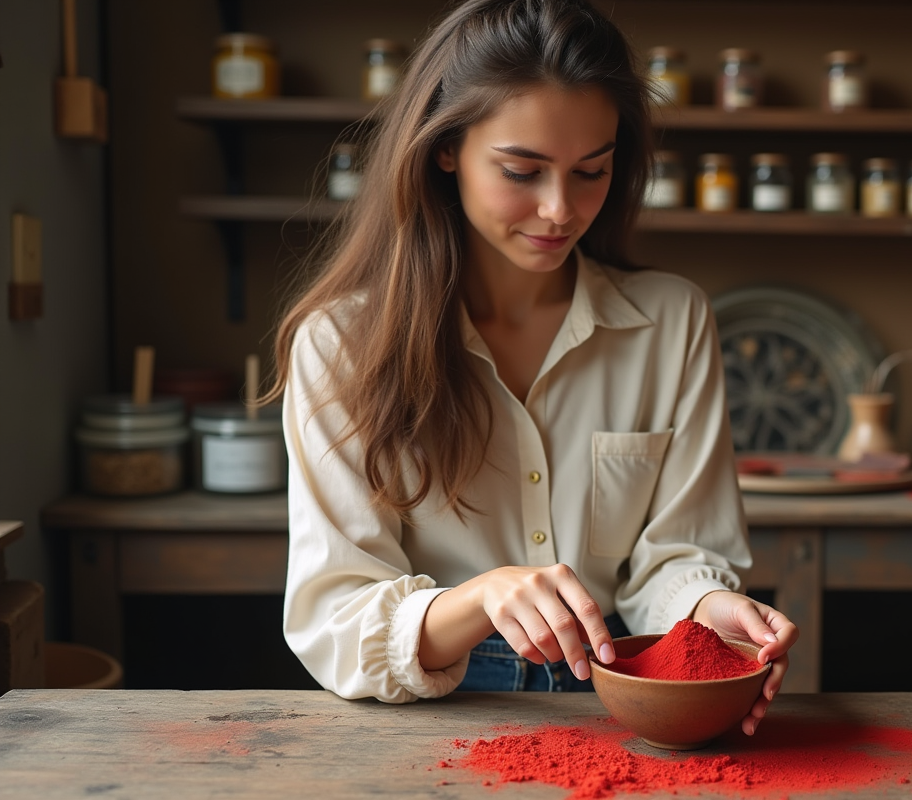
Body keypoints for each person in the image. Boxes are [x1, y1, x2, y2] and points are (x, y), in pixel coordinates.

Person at [267, 0, 798, 736]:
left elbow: (677, 556)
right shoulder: (339, 344)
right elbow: (335, 617)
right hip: (429, 708)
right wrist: (481, 599)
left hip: (624, 686)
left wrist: (709, 614)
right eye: (522, 170)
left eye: (592, 171)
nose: (559, 209)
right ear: (444, 149)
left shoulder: (671, 322)